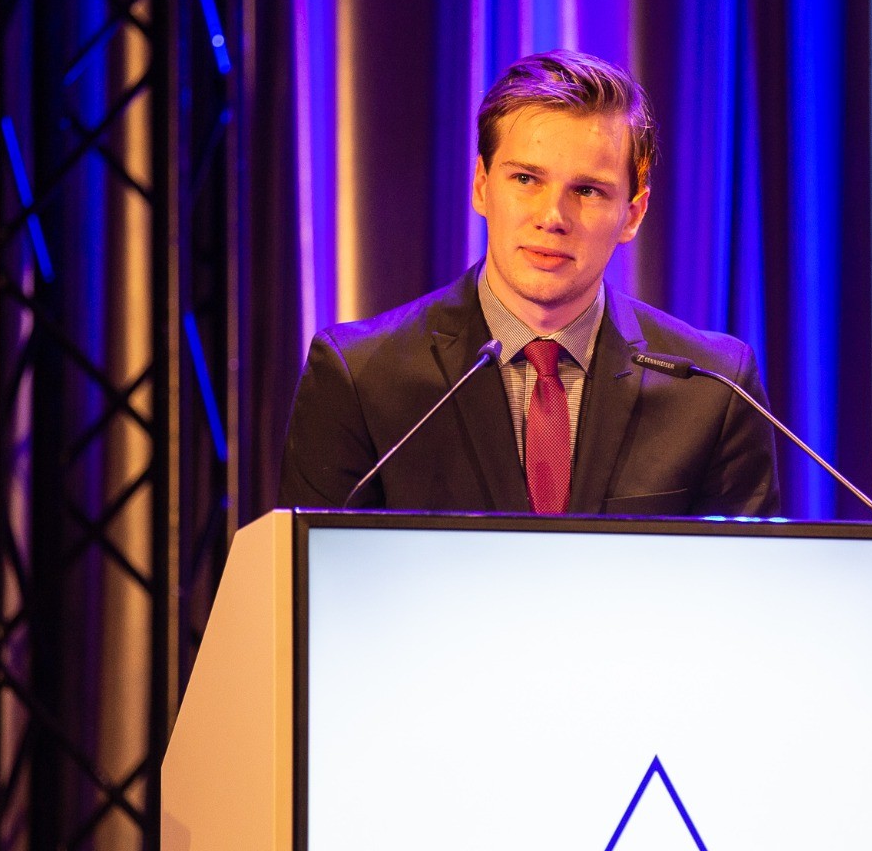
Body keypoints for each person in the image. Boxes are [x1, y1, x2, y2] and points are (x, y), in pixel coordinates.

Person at [278, 49, 779, 516]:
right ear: (481, 186)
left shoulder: (713, 388)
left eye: (588, 190)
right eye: (525, 179)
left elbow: (746, 578)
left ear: (632, 214)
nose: (552, 217)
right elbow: (310, 573)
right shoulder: (360, 377)